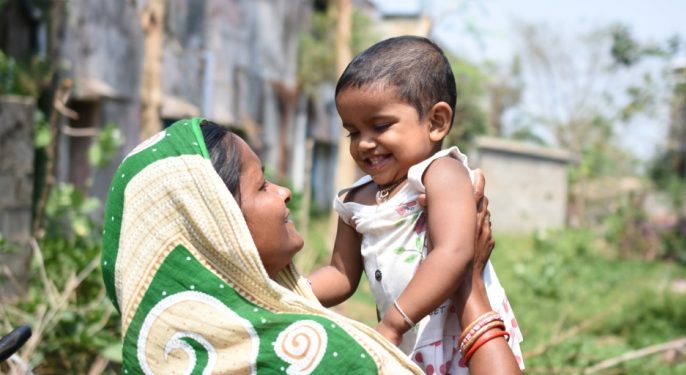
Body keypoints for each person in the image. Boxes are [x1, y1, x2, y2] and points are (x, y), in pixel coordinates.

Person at [101, 117, 518, 374]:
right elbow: (342, 273)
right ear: (217, 226)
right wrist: (469, 287)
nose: (283, 192)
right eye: (261, 185)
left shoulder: (173, 356)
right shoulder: (318, 357)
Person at [307, 35, 524, 373]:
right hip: (408, 344)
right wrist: (288, 293)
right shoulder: (355, 200)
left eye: (379, 126)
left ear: (436, 122)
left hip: (459, 339)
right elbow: (340, 274)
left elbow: (453, 252)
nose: (364, 143)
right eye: (352, 132)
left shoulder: (441, 173)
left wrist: (393, 324)